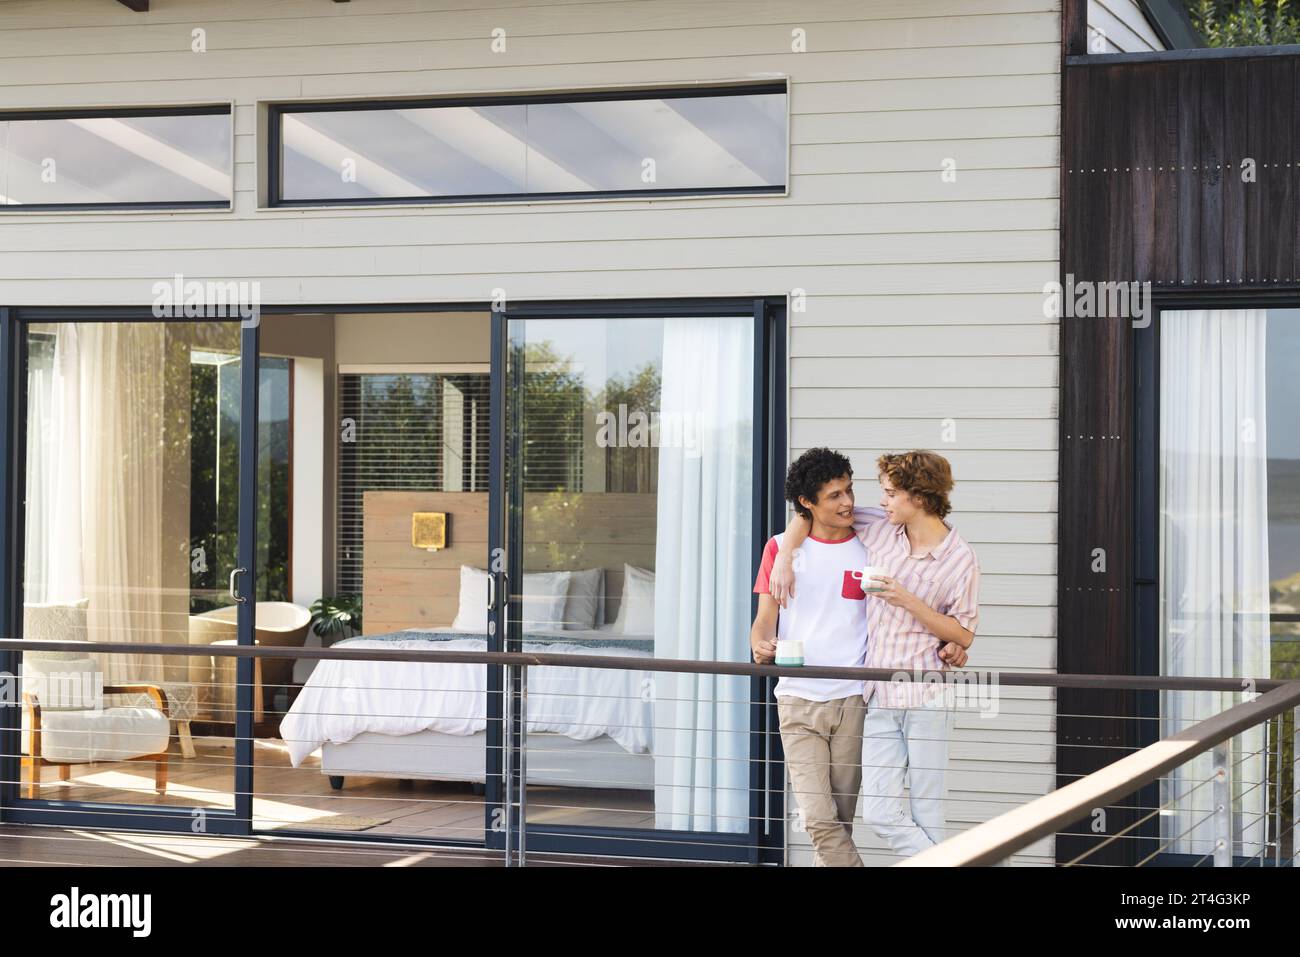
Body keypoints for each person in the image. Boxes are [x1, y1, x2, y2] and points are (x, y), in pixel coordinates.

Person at [768, 450, 979, 857]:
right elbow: (809, 510)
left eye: (889, 493)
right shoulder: (881, 529)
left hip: (928, 696)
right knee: (880, 814)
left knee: (927, 813)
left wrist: (909, 602)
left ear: (918, 497)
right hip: (878, 697)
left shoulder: (960, 559)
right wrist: (784, 560)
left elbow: (963, 633)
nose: (878, 501)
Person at [750, 447, 870, 866]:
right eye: (835, 495)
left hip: (853, 698)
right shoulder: (779, 548)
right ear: (807, 503)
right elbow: (763, 625)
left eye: (849, 490)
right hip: (798, 699)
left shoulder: (871, 540)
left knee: (841, 819)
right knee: (818, 818)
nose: (848, 502)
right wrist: (761, 646)